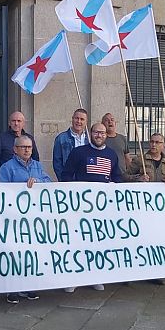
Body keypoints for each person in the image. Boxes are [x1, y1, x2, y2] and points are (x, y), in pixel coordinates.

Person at [60, 122, 122, 292]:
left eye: (102, 133)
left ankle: (95, 277)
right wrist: (75, 193)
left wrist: (117, 187)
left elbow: (117, 177)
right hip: (80, 207)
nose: (99, 135)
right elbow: (66, 175)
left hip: (102, 208)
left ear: (106, 135)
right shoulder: (78, 152)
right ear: (90, 133)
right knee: (78, 242)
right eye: (96, 132)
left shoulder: (112, 154)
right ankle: (73, 278)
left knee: (97, 242)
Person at [0, 135, 52, 303]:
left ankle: (29, 286)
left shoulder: (37, 165)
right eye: (23, 147)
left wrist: (38, 182)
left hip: (33, 218)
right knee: (14, 253)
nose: (27, 150)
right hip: (14, 217)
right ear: (15, 149)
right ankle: (12, 289)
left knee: (30, 252)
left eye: (29, 147)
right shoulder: (7, 168)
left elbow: (49, 182)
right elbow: (2, 191)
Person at [127, 132, 165, 285]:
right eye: (152, 142)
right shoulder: (139, 159)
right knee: (139, 240)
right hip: (141, 208)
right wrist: (138, 178)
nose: (154, 145)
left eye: (158, 142)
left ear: (163, 145)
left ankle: (155, 272)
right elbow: (125, 177)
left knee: (157, 240)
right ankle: (134, 272)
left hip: (160, 210)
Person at [0, 111, 40, 182]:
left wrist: (34, 179)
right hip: (7, 179)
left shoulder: (29, 138)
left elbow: (35, 158)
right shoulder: (1, 139)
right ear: (9, 123)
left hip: (27, 181)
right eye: (13, 121)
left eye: (19, 121)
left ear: (23, 123)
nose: (16, 123)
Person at [52, 108, 88, 181]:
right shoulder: (61, 138)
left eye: (82, 119)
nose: (79, 121)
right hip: (68, 181)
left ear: (86, 122)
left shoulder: (90, 139)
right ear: (72, 119)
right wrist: (64, 180)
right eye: (76, 118)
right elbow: (57, 163)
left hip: (86, 180)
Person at [101, 113, 132, 178]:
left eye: (112, 120)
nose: (110, 122)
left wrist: (130, 173)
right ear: (102, 124)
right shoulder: (100, 140)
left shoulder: (122, 138)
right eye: (106, 120)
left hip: (122, 175)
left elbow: (127, 158)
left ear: (115, 123)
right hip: (106, 175)